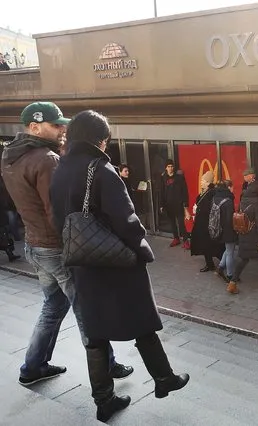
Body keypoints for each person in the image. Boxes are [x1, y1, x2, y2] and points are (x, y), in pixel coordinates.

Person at [50, 110, 189, 422]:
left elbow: (57, 216)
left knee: (95, 334)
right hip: (115, 260)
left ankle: (104, 400)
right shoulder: (100, 169)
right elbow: (127, 220)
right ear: (101, 139)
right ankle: (164, 378)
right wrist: (141, 249)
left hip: (83, 262)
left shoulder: (60, 169)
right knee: (141, 319)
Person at [1, 102, 132, 388]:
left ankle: (32, 367)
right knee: (88, 311)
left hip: (35, 246)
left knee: (52, 307)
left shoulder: (10, 156)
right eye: (56, 125)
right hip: (58, 249)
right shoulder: (47, 160)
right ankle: (106, 371)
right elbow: (59, 211)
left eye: (64, 124)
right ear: (34, 127)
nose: (63, 130)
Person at [227, 168, 258, 294]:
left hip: (244, 234)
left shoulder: (243, 201)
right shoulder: (257, 204)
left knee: (243, 259)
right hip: (255, 236)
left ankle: (232, 283)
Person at [189, 170, 224, 272]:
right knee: (206, 245)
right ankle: (210, 264)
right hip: (202, 223)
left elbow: (210, 209)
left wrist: (198, 209)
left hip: (208, 224)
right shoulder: (204, 192)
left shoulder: (212, 193)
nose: (201, 182)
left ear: (208, 183)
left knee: (213, 246)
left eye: (203, 180)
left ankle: (224, 262)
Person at [159, 159, 191, 248]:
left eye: (172, 166)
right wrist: (161, 204)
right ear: (166, 167)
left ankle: (185, 241)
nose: (170, 168)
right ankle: (176, 238)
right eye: (168, 166)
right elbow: (161, 192)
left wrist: (185, 204)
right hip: (168, 204)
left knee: (181, 224)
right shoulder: (163, 178)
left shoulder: (179, 178)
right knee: (172, 223)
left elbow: (185, 191)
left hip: (179, 204)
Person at [212, 179, 237, 282]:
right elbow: (229, 219)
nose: (233, 189)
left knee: (227, 249)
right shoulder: (228, 200)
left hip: (218, 228)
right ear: (229, 188)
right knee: (230, 252)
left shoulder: (215, 197)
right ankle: (230, 276)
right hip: (228, 230)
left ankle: (220, 268)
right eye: (232, 187)